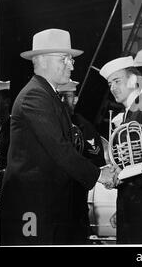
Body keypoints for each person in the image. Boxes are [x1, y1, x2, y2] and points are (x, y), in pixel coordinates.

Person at [0, 28, 118, 245]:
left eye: (70, 60)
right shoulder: (35, 96)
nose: (71, 65)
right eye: (65, 59)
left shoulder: (48, 95)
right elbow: (60, 149)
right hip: (32, 208)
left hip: (45, 205)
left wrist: (99, 170)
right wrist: (99, 176)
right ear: (42, 60)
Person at [99, 56, 142, 244]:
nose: (113, 88)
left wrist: (120, 176)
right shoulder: (130, 112)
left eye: (117, 81)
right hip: (133, 200)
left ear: (134, 80)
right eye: (110, 84)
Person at [57, 79, 106, 243]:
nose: (63, 101)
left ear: (75, 100)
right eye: (60, 96)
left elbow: (97, 161)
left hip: (76, 202)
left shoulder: (85, 127)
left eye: (68, 96)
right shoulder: (49, 124)